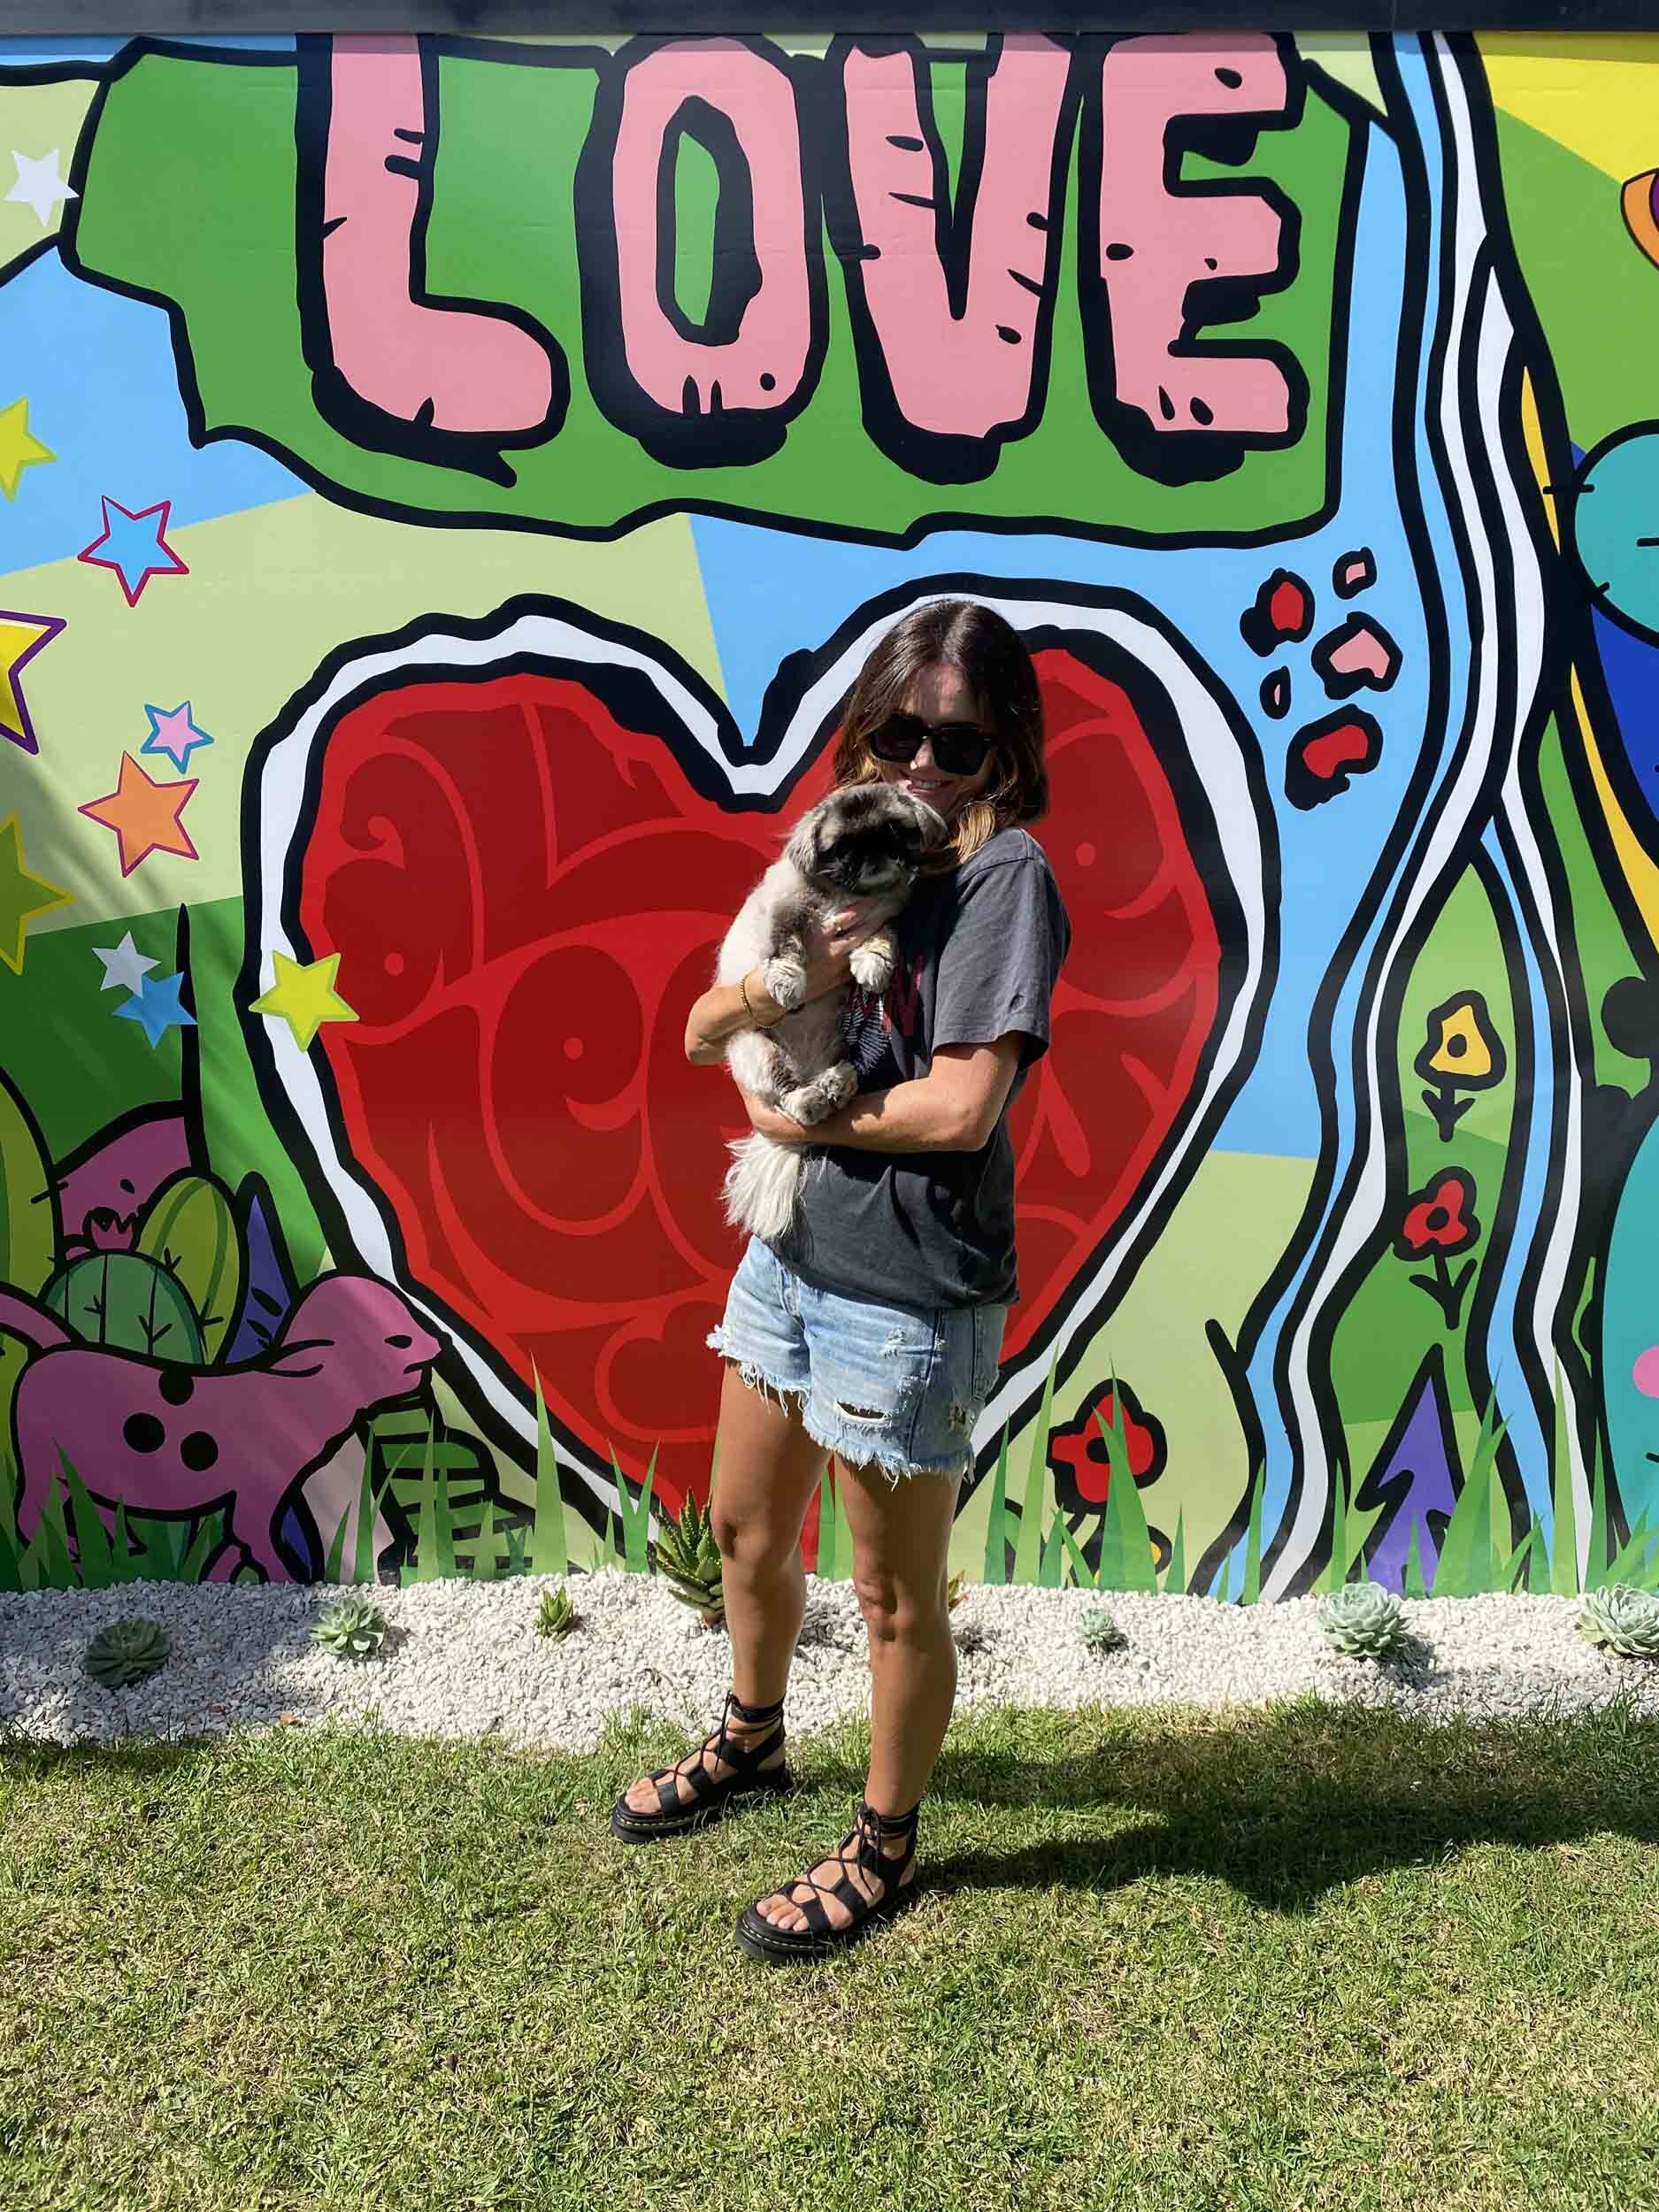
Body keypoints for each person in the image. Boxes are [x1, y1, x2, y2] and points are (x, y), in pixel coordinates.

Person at [610, 596, 1071, 1963]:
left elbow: (962, 1111)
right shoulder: (834, 852)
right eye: (898, 733)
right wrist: (782, 990)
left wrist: (798, 1118)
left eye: (959, 743)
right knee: (744, 1532)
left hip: (907, 1289)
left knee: (889, 1597)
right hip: (792, 1254)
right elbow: (703, 1027)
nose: (924, 764)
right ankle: (753, 1738)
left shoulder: (1002, 881)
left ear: (1003, 757)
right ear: (861, 733)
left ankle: (884, 1839)